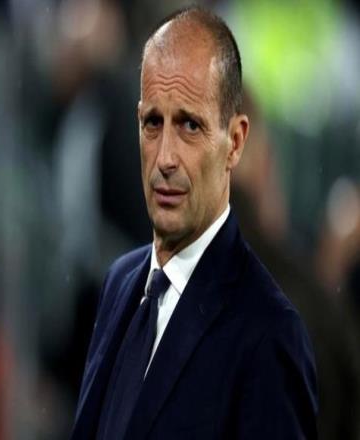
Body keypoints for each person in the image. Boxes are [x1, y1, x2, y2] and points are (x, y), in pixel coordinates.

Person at [70, 6, 318, 439]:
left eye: (189, 125)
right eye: (153, 123)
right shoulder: (119, 285)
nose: (165, 158)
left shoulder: (269, 333)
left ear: (235, 142)